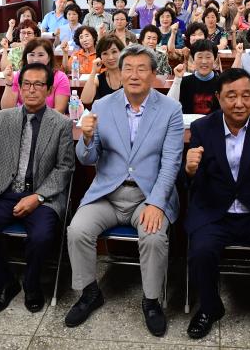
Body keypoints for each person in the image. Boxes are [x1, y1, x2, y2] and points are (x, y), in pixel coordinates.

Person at [65, 44, 184, 336]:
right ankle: (90, 292)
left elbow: (171, 163)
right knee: (77, 229)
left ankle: (152, 300)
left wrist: (157, 203)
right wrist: (88, 137)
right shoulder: (103, 106)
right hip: (107, 193)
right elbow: (86, 159)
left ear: (154, 74)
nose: (133, 75)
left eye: (141, 68)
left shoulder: (171, 109)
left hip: (148, 195)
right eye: (127, 68)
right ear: (120, 72)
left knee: (154, 237)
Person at [185, 68, 250, 349]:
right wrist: (190, 169)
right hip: (216, 211)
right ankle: (209, 307)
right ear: (218, 98)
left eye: (246, 95)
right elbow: (194, 178)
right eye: (231, 96)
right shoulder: (202, 128)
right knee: (200, 251)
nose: (239, 103)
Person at [0, 65, 75, 315]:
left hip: (41, 196)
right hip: (3, 193)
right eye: (26, 84)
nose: (31, 90)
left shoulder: (60, 124)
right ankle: (4, 283)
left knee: (42, 237)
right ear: (19, 87)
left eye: (38, 84)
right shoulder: (5, 117)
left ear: (49, 89)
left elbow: (65, 168)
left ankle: (32, 284)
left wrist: (37, 197)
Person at [2, 39, 71, 114]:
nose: (35, 59)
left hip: (50, 122)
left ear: (49, 57)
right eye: (31, 55)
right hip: (22, 121)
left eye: (41, 55)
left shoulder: (60, 77)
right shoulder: (19, 75)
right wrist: (9, 83)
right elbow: (6, 109)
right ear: (26, 57)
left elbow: (59, 110)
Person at [168, 40, 220, 115]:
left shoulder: (221, 83)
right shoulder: (185, 81)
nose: (204, 61)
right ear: (193, 59)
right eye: (200, 57)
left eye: (208, 57)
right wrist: (177, 79)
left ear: (215, 59)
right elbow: (170, 106)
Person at [81, 36, 124, 106]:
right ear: (100, 57)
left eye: (114, 52)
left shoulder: (129, 75)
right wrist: (94, 71)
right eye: (105, 53)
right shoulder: (99, 79)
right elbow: (85, 100)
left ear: (121, 52)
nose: (110, 57)